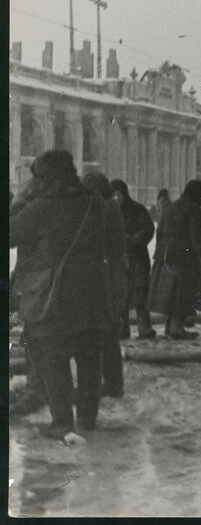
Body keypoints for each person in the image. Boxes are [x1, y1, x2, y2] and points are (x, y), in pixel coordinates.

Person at [10, 150, 109, 442]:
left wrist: (20, 200)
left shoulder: (41, 208)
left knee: (54, 359)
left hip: (54, 296)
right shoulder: (95, 202)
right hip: (92, 294)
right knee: (90, 356)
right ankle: (88, 419)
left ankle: (63, 425)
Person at [148, 180, 201, 340]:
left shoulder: (170, 206)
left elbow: (160, 231)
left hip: (165, 254)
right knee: (182, 293)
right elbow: (197, 239)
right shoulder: (194, 210)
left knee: (171, 293)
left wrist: (161, 251)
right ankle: (176, 328)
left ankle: (170, 327)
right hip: (183, 257)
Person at [83, 173, 129, 398]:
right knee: (108, 332)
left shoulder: (106, 208)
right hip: (113, 274)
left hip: (109, 276)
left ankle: (112, 384)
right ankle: (112, 382)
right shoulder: (110, 206)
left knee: (107, 332)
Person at [110, 179, 157, 340]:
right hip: (120, 260)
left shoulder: (138, 209)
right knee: (121, 294)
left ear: (125, 194)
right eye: (114, 195)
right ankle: (122, 329)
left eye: (119, 194)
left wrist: (133, 240)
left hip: (137, 258)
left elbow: (148, 229)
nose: (117, 198)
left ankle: (144, 328)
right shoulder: (110, 213)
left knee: (140, 293)